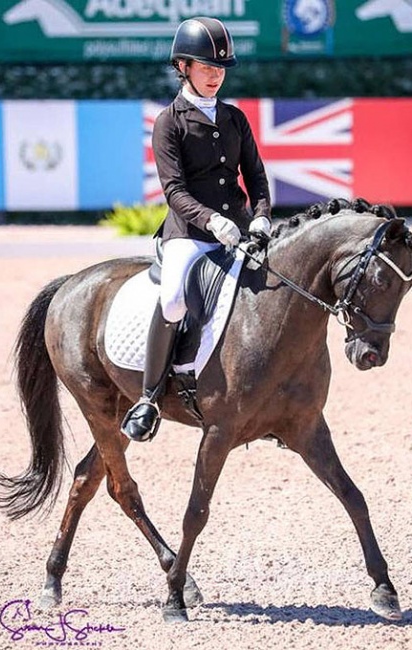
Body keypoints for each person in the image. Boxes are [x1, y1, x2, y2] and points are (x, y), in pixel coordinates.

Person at [121, 16, 272, 442]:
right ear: (184, 67)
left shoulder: (235, 118)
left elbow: (256, 177)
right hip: (189, 233)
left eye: (220, 69)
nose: (215, 76)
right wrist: (211, 220)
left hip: (240, 229)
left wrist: (259, 215)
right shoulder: (170, 121)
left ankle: (270, 394)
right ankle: (149, 397)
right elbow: (173, 190)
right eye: (207, 68)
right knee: (172, 300)